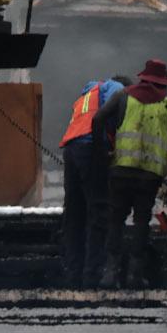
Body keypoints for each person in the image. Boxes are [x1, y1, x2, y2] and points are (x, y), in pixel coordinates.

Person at [88, 58, 167, 288]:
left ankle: (110, 273)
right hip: (149, 176)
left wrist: (103, 152)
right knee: (141, 221)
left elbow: (98, 119)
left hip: (121, 169)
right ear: (162, 83)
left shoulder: (123, 96)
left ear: (143, 78)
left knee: (116, 219)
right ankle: (134, 274)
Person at [56, 73, 127, 285]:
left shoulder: (87, 94)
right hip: (90, 147)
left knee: (74, 213)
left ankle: (73, 272)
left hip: (71, 150)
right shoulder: (117, 89)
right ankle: (94, 273)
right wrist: (103, 155)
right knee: (98, 211)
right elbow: (104, 121)